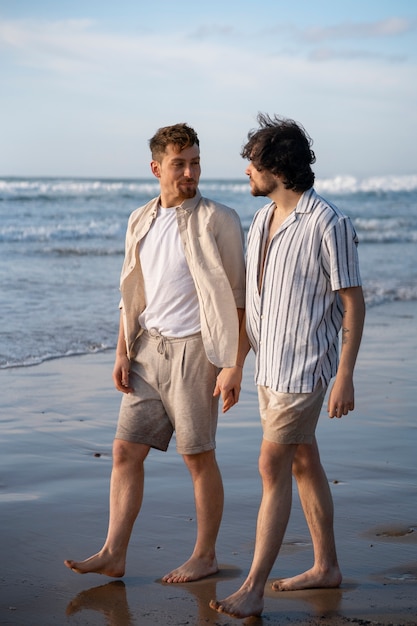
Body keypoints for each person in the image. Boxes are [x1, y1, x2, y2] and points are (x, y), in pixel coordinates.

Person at [64, 123, 245, 583]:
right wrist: (121, 351)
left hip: (196, 352)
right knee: (125, 451)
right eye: (180, 163)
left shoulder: (218, 219)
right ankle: (113, 552)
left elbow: (241, 300)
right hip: (146, 349)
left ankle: (205, 555)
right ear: (156, 167)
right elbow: (130, 291)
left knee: (197, 455)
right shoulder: (140, 218)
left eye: (196, 162)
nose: (190, 172)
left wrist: (232, 365)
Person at [210, 114, 365, 618]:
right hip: (268, 370)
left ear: (277, 166)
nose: (247, 174)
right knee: (303, 461)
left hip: (305, 370)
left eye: (252, 164)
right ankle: (327, 567)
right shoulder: (261, 220)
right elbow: (257, 304)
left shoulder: (328, 222)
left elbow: (353, 302)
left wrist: (344, 375)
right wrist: (236, 365)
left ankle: (253, 587)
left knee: (270, 465)